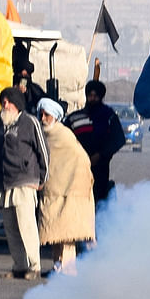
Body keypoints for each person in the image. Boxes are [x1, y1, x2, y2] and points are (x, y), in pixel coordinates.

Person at [0, 87, 49, 279]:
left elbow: (43, 151)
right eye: (3, 100)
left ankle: (35, 266)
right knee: (11, 227)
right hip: (6, 183)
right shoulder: (0, 123)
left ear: (16, 103)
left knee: (26, 225)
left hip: (25, 182)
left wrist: (42, 179)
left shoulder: (30, 122)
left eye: (8, 101)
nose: (4, 104)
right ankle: (19, 265)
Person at [37, 98, 95, 275]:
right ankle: (57, 264)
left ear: (55, 116)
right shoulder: (45, 135)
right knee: (55, 231)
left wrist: (74, 183)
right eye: (41, 114)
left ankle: (68, 267)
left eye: (47, 115)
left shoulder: (64, 135)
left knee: (68, 232)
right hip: (53, 190)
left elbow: (79, 160)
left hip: (72, 191)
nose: (43, 118)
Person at [63, 79, 125, 205]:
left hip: (100, 167)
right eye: (90, 96)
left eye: (95, 96)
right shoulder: (75, 117)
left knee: (99, 201)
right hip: (78, 166)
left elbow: (118, 139)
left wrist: (101, 155)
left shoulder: (109, 116)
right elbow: (65, 138)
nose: (92, 99)